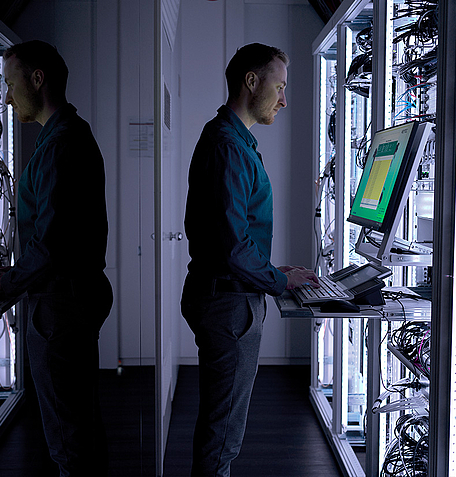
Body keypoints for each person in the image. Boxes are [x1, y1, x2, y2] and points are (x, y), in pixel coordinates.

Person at [0, 40, 113, 477]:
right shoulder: (69, 134)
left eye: (11, 85)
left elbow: (52, 243)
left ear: (38, 79)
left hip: (59, 306)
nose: (8, 97)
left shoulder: (60, 145)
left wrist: (7, 282)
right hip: (67, 301)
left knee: (68, 440)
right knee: (81, 428)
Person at [181, 43, 320, 477]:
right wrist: (278, 284)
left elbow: (231, 235)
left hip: (223, 293)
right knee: (223, 435)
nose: (283, 98)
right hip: (229, 305)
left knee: (219, 426)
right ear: (251, 81)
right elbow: (231, 247)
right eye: (279, 87)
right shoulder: (228, 146)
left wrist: (272, 271)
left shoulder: (229, 138)